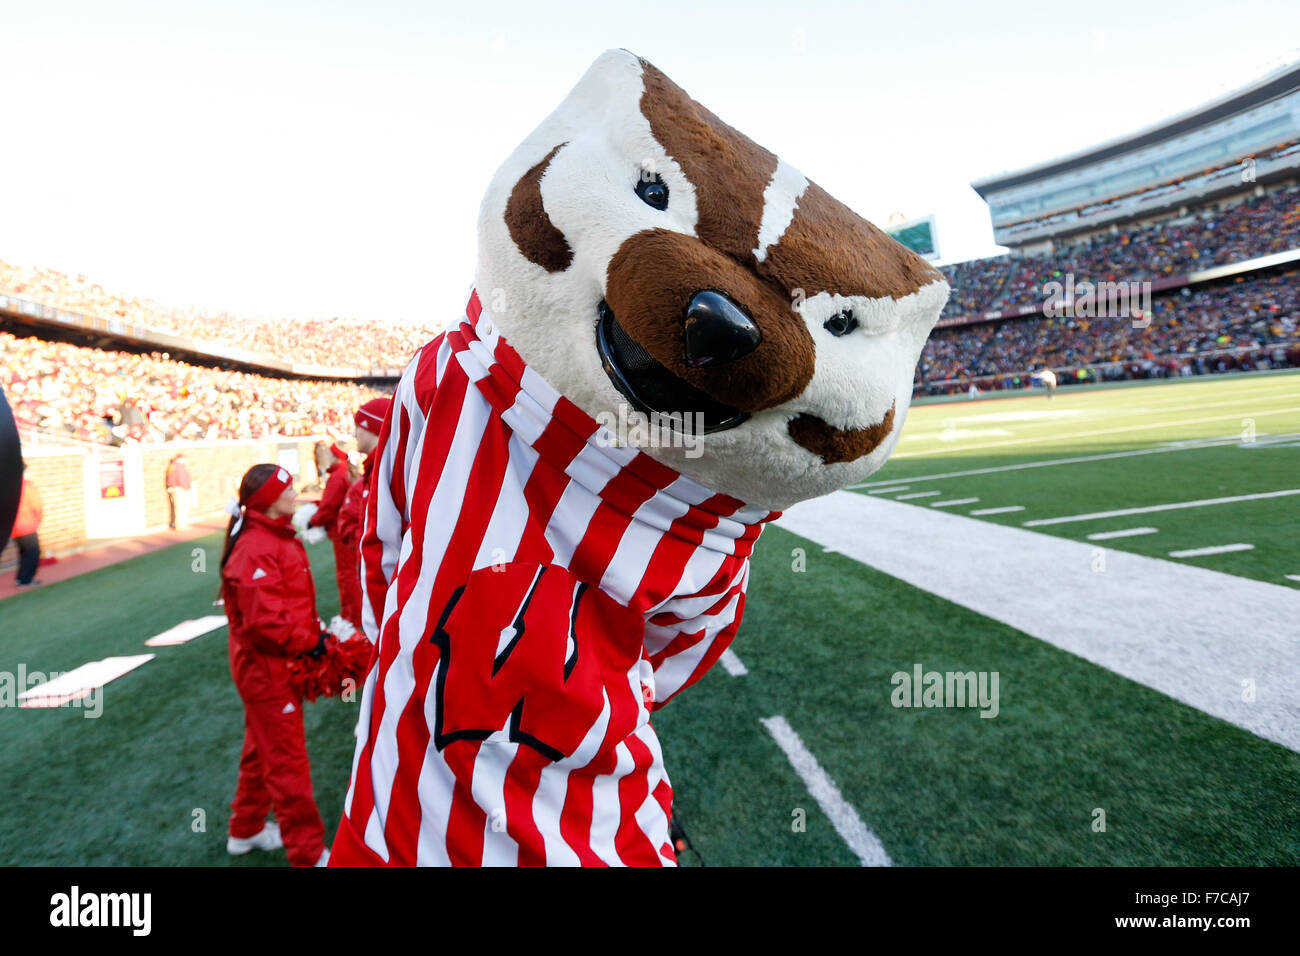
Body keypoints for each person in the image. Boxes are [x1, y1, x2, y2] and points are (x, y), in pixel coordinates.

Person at [219, 463, 330, 867]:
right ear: (267, 499)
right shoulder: (255, 547)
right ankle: (308, 853)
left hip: (273, 664)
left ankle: (244, 831)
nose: (294, 495)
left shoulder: (273, 535)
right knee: (287, 764)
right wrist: (312, 642)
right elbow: (265, 622)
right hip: (266, 669)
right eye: (287, 490)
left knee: (260, 750)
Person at [334, 397, 392, 633]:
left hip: (386, 583)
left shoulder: (385, 469)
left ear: (372, 427)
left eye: (360, 426)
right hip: (378, 580)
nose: (355, 432)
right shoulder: (374, 469)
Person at [12, 462, 44, 588]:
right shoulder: (27, 486)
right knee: (32, 553)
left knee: (23, 553)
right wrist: (37, 520)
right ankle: (26, 579)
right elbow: (37, 505)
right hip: (27, 526)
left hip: (14, 528)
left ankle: (21, 578)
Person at [165, 453, 193, 529]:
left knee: (184, 507)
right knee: (180, 507)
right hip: (178, 488)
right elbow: (170, 477)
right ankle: (180, 525)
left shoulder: (183, 466)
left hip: (185, 488)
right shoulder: (173, 466)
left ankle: (184, 524)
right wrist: (170, 486)